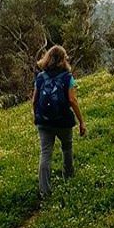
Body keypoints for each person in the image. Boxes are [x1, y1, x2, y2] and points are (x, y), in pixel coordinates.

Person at [32, 45, 86, 198]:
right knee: (67, 148)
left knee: (45, 154)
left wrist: (36, 116)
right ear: (63, 59)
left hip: (44, 122)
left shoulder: (40, 77)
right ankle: (68, 179)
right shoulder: (67, 77)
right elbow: (72, 100)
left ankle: (44, 191)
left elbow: (34, 100)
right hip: (63, 121)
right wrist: (81, 121)